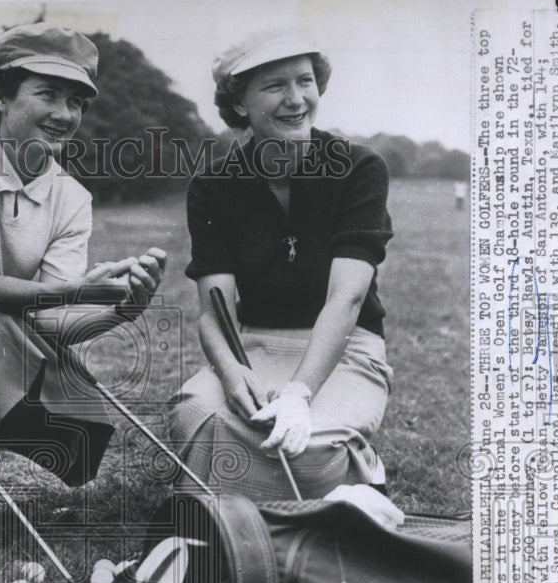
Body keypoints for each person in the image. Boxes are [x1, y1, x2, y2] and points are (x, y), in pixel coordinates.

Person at [0, 23, 167, 546]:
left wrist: (122, 309)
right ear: (2, 97)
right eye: (46, 94)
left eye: (75, 101)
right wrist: (79, 291)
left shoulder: (72, 198)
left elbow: (52, 324)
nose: (63, 114)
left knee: (77, 427)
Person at [167, 29, 394, 501]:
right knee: (194, 415)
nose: (296, 99)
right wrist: (231, 372)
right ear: (241, 102)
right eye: (275, 86)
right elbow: (215, 311)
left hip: (345, 349)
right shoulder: (214, 184)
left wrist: (299, 394)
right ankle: (327, 484)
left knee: (303, 452)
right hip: (255, 348)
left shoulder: (358, 169)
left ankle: (350, 466)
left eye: (305, 81)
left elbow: (346, 298)